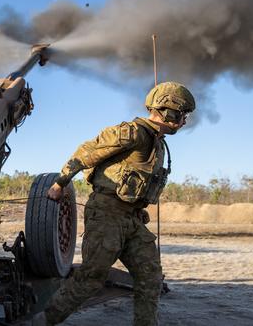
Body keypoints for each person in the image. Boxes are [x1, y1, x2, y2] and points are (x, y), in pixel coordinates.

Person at [34, 82, 196, 326]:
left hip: (131, 219)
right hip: (106, 212)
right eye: (183, 115)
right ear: (168, 110)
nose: (184, 122)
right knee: (91, 278)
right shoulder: (133, 132)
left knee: (151, 278)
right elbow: (87, 152)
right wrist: (59, 184)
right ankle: (44, 320)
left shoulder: (158, 143)